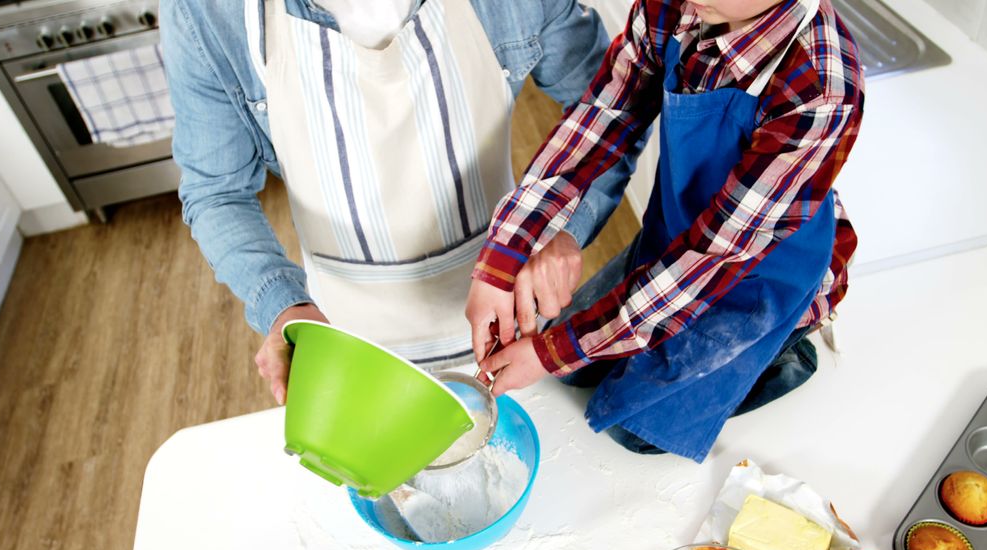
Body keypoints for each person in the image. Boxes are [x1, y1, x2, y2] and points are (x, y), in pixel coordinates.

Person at [161, 0, 644, 404]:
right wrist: (285, 308)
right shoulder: (207, 12)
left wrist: (563, 229)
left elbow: (613, 108)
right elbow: (216, 191)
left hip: (514, 333)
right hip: (346, 344)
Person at [466, 0, 864, 461]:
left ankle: (785, 349)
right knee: (571, 368)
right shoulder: (677, 7)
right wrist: (502, 258)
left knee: (632, 429)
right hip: (679, 236)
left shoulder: (822, 88)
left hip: (753, 274)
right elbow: (602, 122)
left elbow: (710, 260)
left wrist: (553, 351)